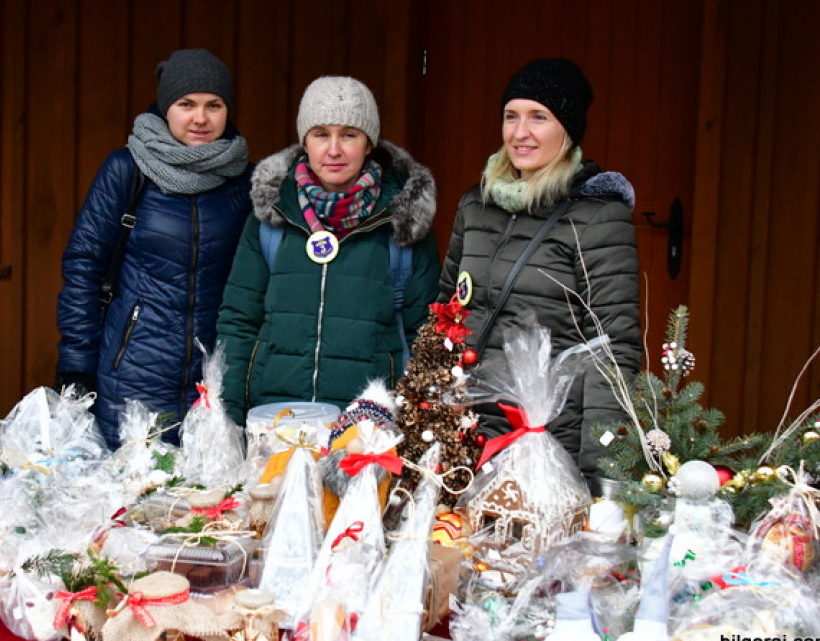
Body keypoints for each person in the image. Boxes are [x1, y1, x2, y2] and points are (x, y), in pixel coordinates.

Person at [438, 57, 641, 488]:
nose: (520, 133)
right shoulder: (476, 205)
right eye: (511, 116)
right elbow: (445, 313)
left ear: (567, 130)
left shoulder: (597, 218)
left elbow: (612, 352)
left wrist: (600, 472)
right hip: (464, 437)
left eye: (538, 117)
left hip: (545, 443)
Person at [215, 75, 440, 426]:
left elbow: (425, 335)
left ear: (369, 144)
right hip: (277, 424)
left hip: (368, 433)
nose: (334, 150)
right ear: (305, 142)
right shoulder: (272, 218)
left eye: (349, 135)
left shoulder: (402, 224)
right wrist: (229, 419)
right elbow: (239, 322)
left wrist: (416, 428)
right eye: (321, 134)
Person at [56, 48, 252, 448]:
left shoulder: (245, 181)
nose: (201, 118)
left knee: (207, 486)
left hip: (215, 380)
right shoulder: (128, 170)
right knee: (132, 481)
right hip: (132, 375)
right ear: (166, 108)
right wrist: (76, 364)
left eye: (214, 105)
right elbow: (83, 267)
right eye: (187, 104)